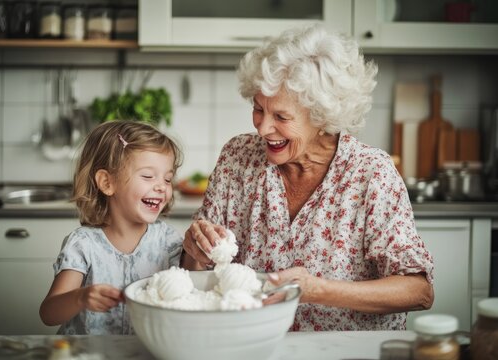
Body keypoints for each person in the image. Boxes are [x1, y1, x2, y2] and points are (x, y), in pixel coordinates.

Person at [180, 25, 434, 331]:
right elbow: (194, 273)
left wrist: (317, 290)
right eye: (258, 109)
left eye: (282, 117)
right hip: (252, 345)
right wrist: (194, 250)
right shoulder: (238, 157)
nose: (262, 129)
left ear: (323, 117)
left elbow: (418, 291)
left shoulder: (371, 173)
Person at [40, 120, 184, 334]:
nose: (161, 187)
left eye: (168, 179)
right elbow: (49, 314)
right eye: (147, 176)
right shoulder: (83, 244)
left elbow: (188, 298)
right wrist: (80, 298)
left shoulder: (168, 241)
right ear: (107, 183)